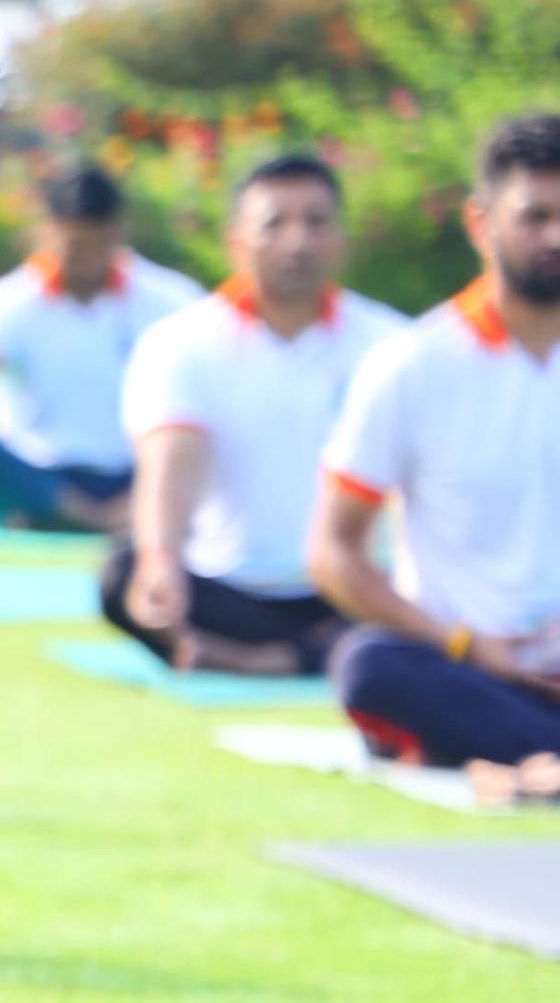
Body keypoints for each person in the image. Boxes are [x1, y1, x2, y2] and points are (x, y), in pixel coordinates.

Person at [312, 111, 560, 774]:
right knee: (370, 663)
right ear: (481, 224)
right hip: (466, 668)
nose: (555, 236)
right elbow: (334, 551)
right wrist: (464, 644)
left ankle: (525, 754)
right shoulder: (412, 364)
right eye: (535, 216)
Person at [102, 153, 398, 677]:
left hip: (350, 589)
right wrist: (160, 559)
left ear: (342, 238)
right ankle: (303, 654)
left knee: (421, 612)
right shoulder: (181, 343)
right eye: (274, 224)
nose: (297, 241)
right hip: (228, 587)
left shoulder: (391, 344)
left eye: (316, 222)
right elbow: (169, 463)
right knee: (121, 574)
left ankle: (276, 660)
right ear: (235, 240)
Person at [0, 162, 200, 535]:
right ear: (46, 231)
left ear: (117, 232)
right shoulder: (7, 302)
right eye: (74, 245)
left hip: (138, 471)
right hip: (43, 476)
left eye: (96, 244)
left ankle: (127, 512)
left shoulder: (170, 300)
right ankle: (92, 518)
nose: (85, 258)